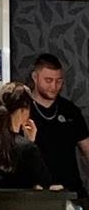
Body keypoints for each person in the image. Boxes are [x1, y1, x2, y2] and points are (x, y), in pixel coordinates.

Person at [28, 53, 89, 196]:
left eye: (59, 81)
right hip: (36, 194)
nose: (54, 86)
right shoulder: (23, 110)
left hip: (72, 192)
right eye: (48, 80)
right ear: (35, 78)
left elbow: (87, 149)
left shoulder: (70, 111)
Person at [0, 82, 54, 189]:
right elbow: (45, 182)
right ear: (23, 110)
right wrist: (30, 141)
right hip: (18, 205)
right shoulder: (27, 148)